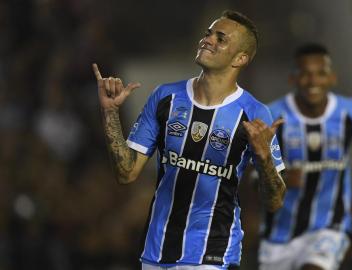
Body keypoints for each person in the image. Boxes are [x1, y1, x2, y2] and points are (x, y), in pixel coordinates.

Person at [92, 10, 286, 270]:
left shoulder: (254, 113)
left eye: (221, 39)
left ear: (240, 58)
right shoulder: (165, 97)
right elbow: (126, 172)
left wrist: (264, 159)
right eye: (208, 34)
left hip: (214, 253)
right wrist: (110, 113)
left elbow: (275, 201)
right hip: (156, 250)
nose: (208, 40)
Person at [259, 43, 352, 270]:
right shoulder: (273, 115)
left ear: (332, 78)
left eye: (320, 73)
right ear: (292, 79)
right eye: (305, 74)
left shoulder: (351, 112)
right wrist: (278, 176)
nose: (313, 81)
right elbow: (250, 168)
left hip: (329, 226)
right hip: (279, 234)